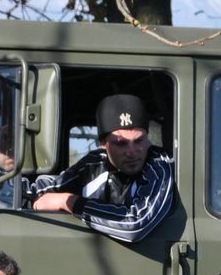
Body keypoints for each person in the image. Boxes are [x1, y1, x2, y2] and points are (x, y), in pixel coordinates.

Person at [28, 93, 175, 243]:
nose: (132, 152)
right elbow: (41, 189)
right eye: (121, 143)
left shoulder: (159, 166)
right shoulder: (93, 164)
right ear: (103, 143)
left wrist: (69, 202)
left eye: (139, 141)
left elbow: (135, 224)